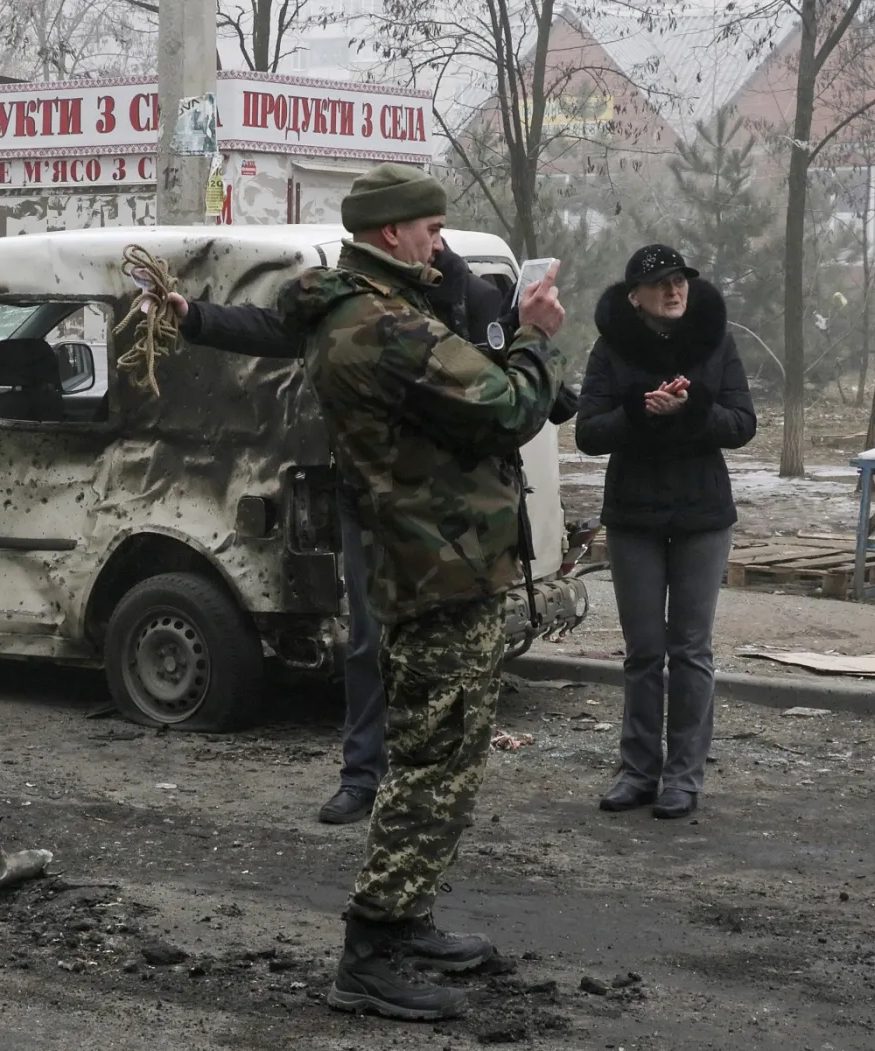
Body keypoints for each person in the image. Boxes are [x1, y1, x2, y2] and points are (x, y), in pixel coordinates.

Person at [277, 163, 567, 1021]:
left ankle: (405, 919)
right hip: (436, 564)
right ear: (390, 232)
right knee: (431, 763)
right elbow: (508, 406)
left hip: (436, 558)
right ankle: (370, 951)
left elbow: (461, 399)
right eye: (431, 230)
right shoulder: (383, 324)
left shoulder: (372, 310)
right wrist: (534, 334)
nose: (438, 244)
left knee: (439, 755)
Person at [164, 241, 511, 826]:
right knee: (369, 642)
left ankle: (431, 785)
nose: (433, 240)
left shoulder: (465, 294)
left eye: (437, 229)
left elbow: (501, 384)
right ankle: (362, 777)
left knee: (439, 647)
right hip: (367, 497)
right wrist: (196, 316)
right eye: (426, 228)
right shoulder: (354, 298)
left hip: (443, 505)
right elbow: (277, 329)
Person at [574, 245, 756, 819]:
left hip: (702, 515)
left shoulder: (715, 342)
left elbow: (742, 424)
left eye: (679, 281)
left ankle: (683, 778)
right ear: (635, 297)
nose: (674, 291)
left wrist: (693, 406)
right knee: (644, 651)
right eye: (660, 284)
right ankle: (637, 772)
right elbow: (587, 434)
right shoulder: (611, 348)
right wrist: (639, 410)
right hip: (635, 517)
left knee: (691, 649)